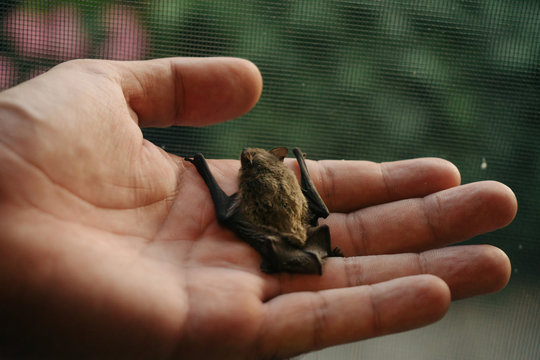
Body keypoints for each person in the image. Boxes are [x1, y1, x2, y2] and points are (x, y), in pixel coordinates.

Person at [0, 57, 517, 359]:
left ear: (251, 174)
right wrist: (295, 164)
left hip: (280, 237)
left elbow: (234, 212)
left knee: (241, 219)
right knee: (311, 223)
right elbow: (310, 207)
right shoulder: (285, 184)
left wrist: (205, 169)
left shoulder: (242, 198)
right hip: (295, 228)